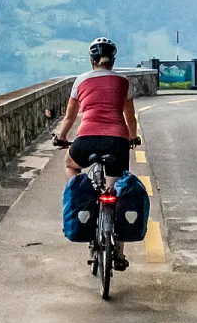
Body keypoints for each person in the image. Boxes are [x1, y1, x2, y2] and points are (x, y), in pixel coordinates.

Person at [53, 36, 140, 270]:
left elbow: (70, 117)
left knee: (71, 164)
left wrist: (60, 138)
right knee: (118, 190)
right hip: (116, 142)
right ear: (112, 61)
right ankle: (119, 252)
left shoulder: (80, 81)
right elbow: (130, 118)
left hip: (86, 139)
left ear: (92, 60)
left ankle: (82, 197)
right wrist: (132, 138)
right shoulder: (123, 81)